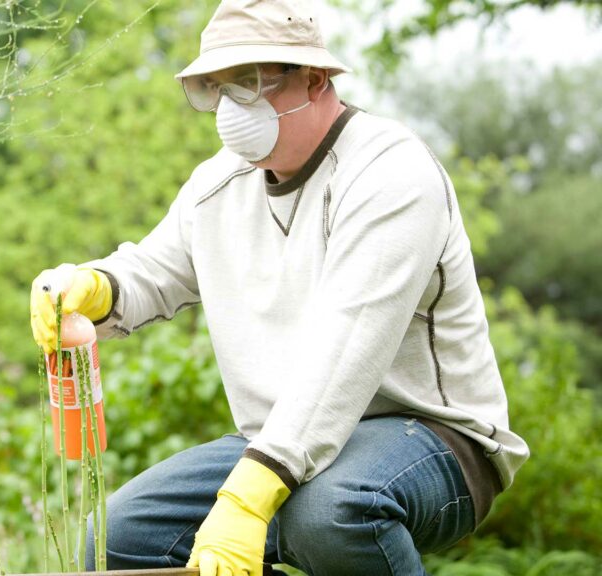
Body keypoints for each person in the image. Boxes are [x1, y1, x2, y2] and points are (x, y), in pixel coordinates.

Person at [28, 0, 529, 574]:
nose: (229, 106)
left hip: (434, 437)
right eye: (216, 87)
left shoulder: (390, 173)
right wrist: (94, 286)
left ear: (314, 78)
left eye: (250, 82)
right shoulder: (217, 184)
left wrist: (248, 496)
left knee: (327, 513)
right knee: (116, 538)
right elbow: (155, 271)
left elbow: (347, 351)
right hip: (282, 441)